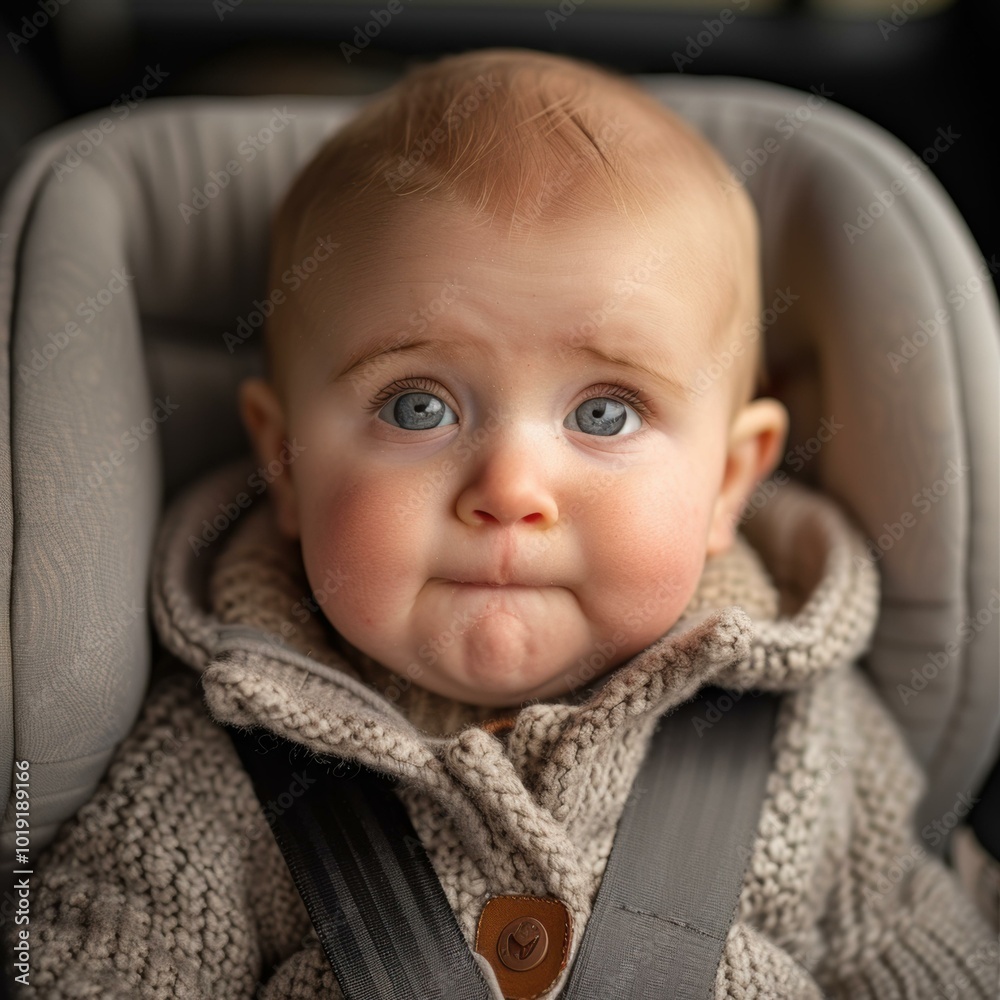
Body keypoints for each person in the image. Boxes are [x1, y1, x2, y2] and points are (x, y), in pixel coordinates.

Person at [25, 48, 997, 998]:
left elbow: (916, 955)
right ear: (284, 460)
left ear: (728, 482)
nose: (510, 486)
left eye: (605, 413)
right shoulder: (213, 755)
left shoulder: (807, 731)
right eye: (417, 406)